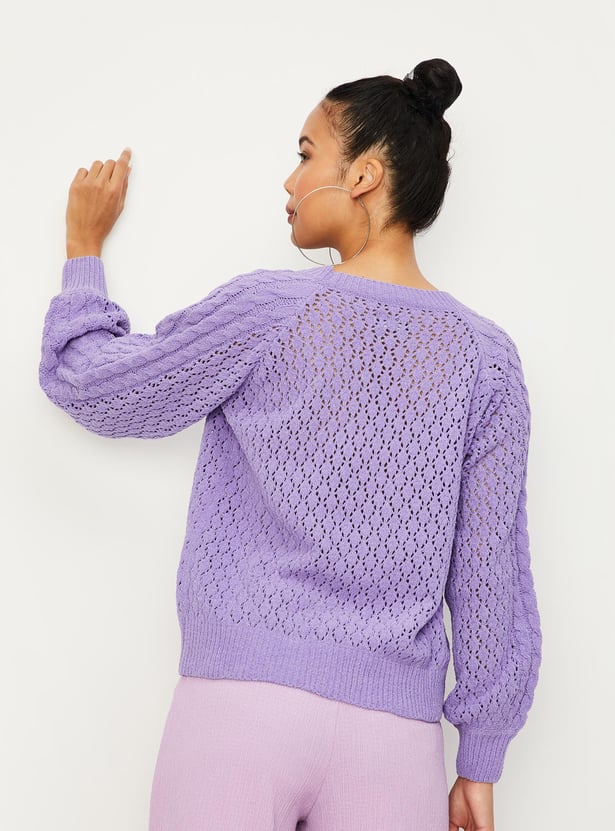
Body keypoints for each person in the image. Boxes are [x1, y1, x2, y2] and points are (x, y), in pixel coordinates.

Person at [39, 58, 542, 831]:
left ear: (364, 175)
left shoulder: (270, 310)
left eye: (306, 154)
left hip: (240, 712)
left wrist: (82, 248)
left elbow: (97, 386)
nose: (289, 179)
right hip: (394, 740)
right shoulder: (486, 360)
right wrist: (479, 759)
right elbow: (489, 575)